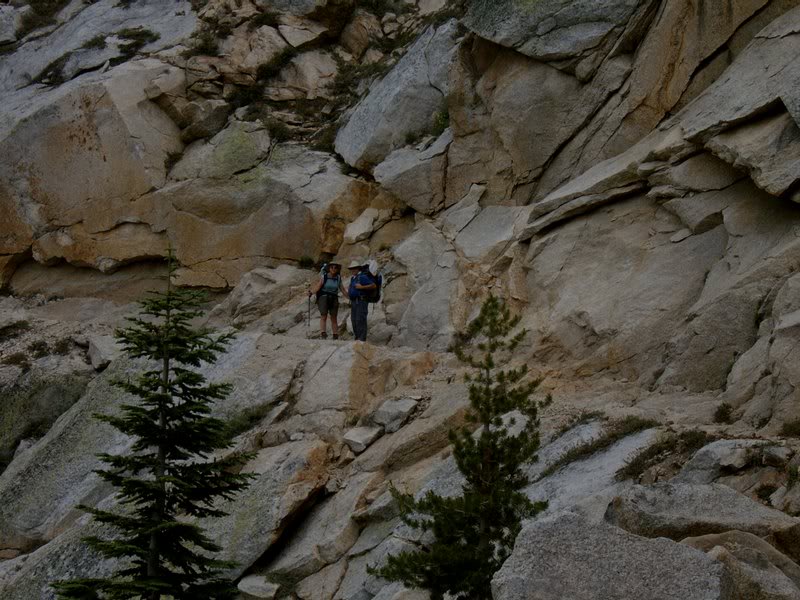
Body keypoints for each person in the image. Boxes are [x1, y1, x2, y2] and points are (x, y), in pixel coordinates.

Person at [308, 262, 347, 339]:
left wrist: (349, 297)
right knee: (324, 315)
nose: (333, 269)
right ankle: (323, 333)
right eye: (332, 267)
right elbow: (318, 286)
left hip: (334, 298)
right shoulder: (324, 277)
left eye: (335, 268)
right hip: (324, 297)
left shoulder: (338, 278)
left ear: (337, 269)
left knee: (334, 316)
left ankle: (335, 335)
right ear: (329, 268)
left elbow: (342, 289)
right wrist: (311, 292)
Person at [347, 259, 376, 342]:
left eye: (354, 268)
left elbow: (373, 285)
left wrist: (362, 287)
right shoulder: (353, 278)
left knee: (360, 320)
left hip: (361, 301)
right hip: (354, 302)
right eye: (351, 269)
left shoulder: (362, 277)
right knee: (354, 320)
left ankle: (361, 340)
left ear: (358, 268)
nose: (353, 270)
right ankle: (357, 338)